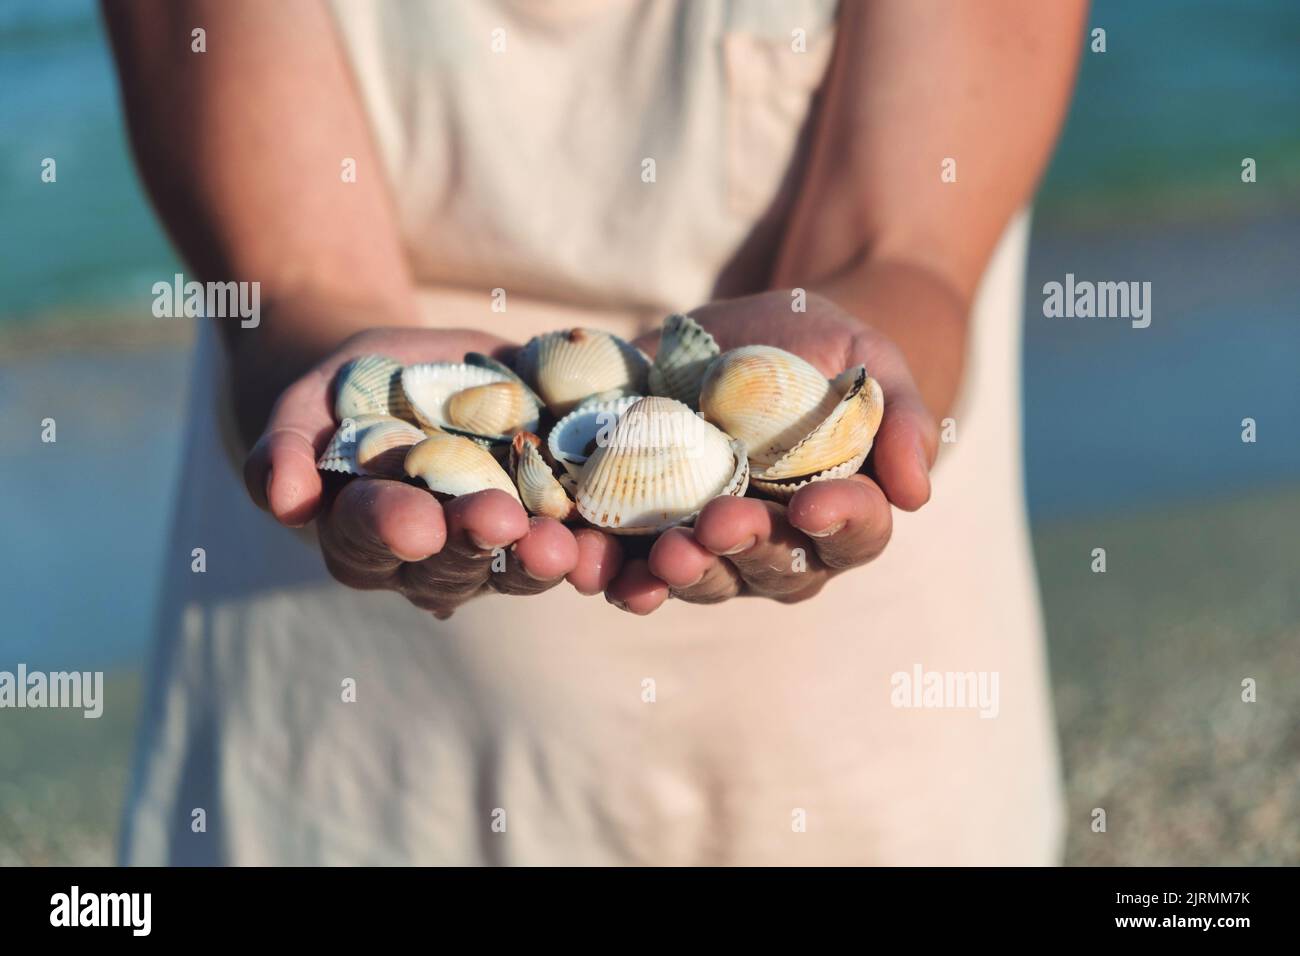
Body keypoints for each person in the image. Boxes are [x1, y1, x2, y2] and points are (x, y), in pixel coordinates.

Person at [106, 0, 1086, 864]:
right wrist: (324, 360)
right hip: (342, 763)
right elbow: (296, 271)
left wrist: (848, 380)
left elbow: (899, 251)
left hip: (864, 761)